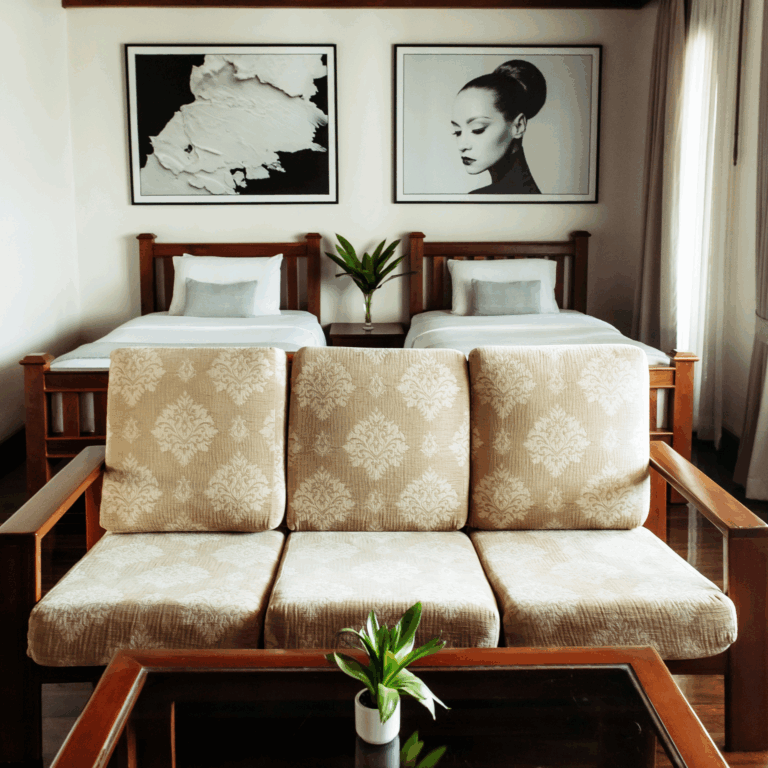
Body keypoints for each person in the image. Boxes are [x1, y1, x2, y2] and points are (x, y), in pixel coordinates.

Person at [451, 59, 547, 194]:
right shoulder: (530, 193)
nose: (462, 145)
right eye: (457, 132)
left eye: (477, 130)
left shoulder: (481, 200)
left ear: (518, 126)